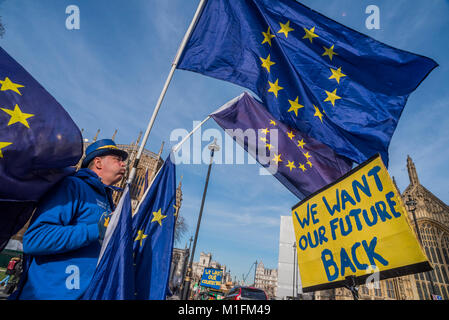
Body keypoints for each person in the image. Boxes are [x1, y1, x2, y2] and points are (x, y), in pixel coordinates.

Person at [9, 139, 128, 300]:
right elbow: (35, 239)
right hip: (51, 294)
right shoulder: (73, 186)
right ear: (98, 163)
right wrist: (95, 230)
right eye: (118, 160)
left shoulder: (107, 201)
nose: (124, 164)